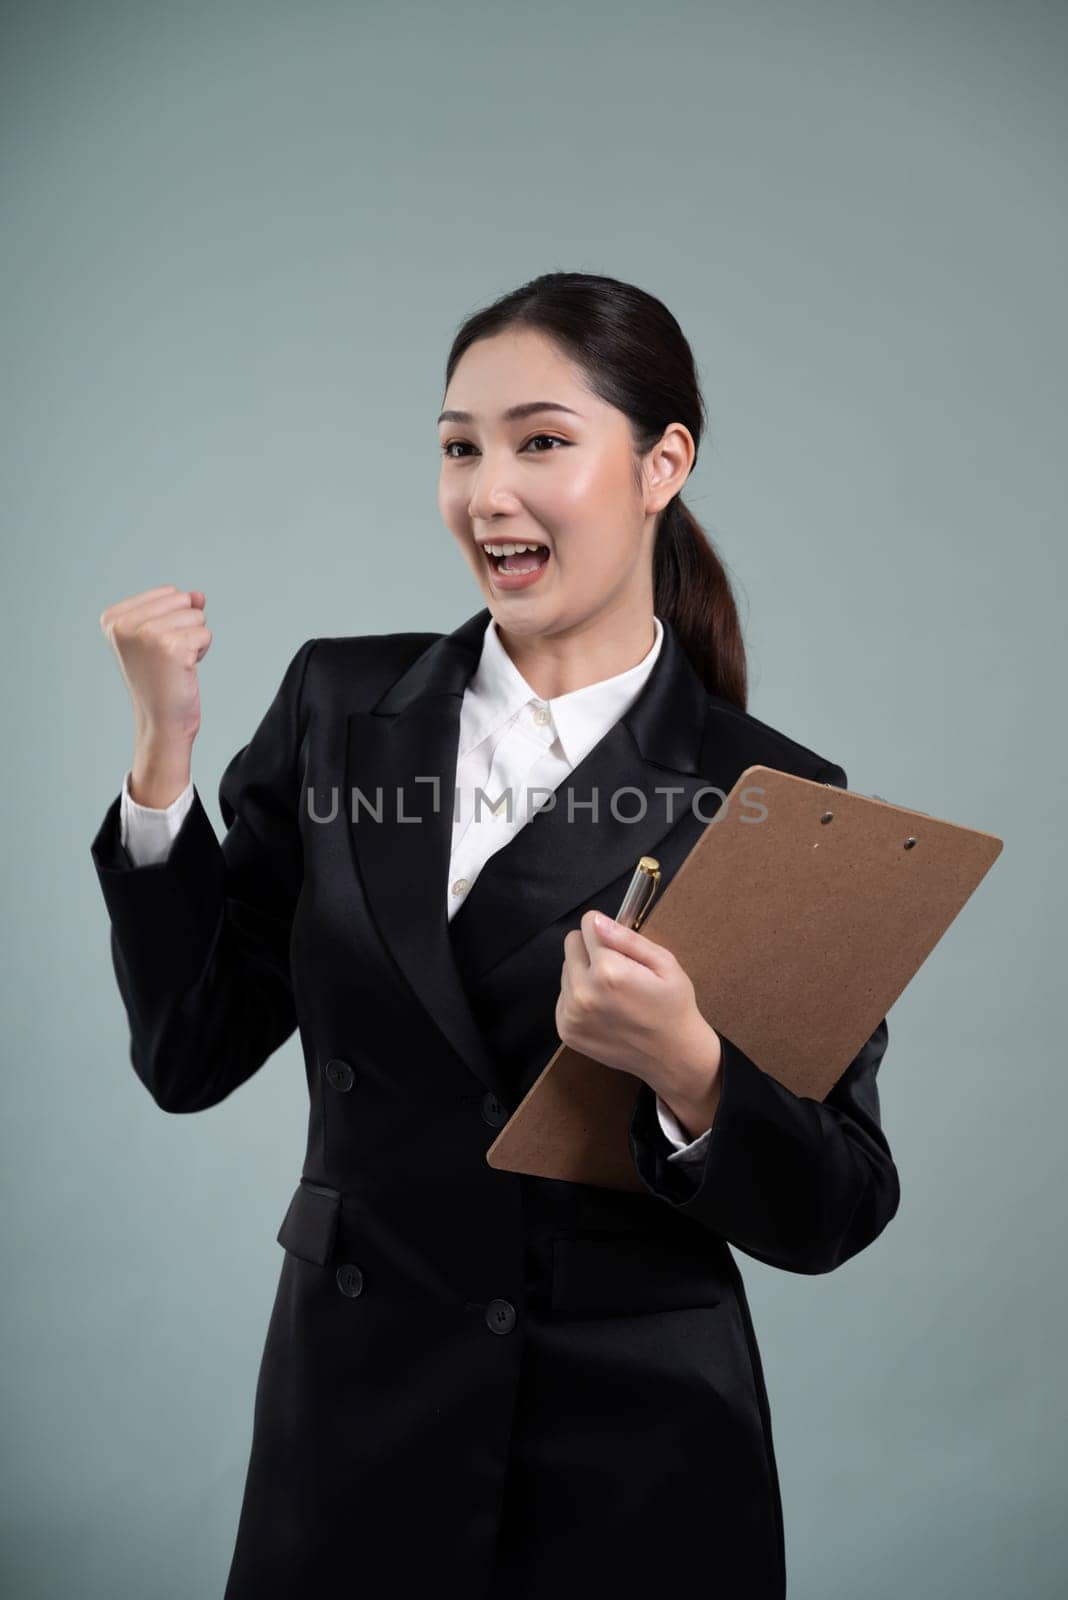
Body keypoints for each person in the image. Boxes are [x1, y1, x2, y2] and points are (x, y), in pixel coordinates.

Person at [91, 270, 900, 1598]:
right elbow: (190, 1054)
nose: (489, 493)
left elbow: (837, 1203)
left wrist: (691, 1067)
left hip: (637, 1453)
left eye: (540, 441)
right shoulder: (339, 707)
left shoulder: (771, 800)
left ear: (662, 464)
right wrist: (163, 759)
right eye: (459, 448)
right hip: (354, 1421)